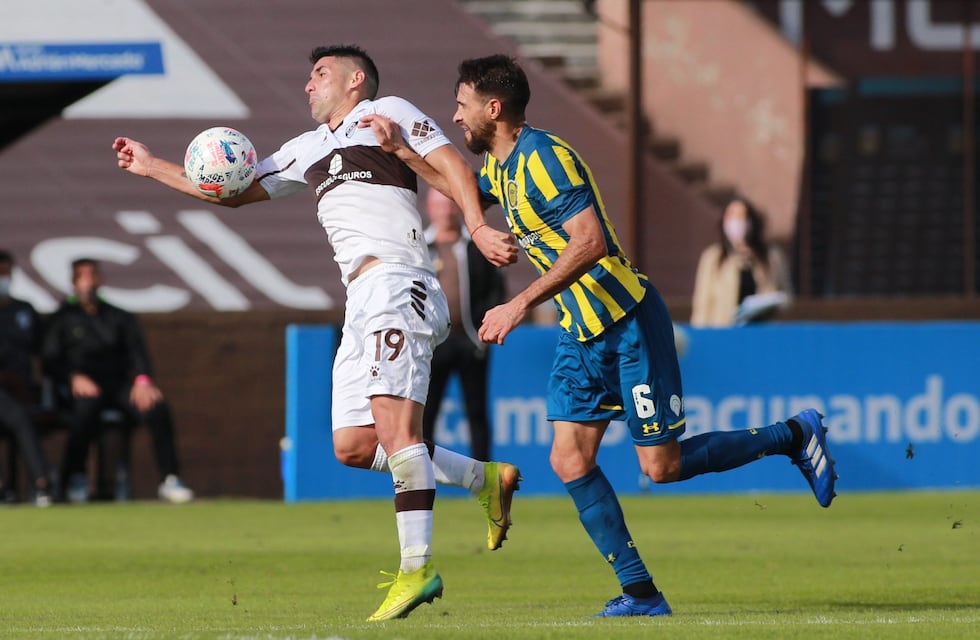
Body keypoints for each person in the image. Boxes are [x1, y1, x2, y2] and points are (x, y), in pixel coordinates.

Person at [370, 54, 837, 617]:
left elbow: (591, 242)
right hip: (580, 332)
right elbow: (459, 181)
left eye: (462, 104)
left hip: (627, 324)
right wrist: (400, 152)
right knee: (568, 459)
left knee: (658, 468)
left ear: (494, 108)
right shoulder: (504, 167)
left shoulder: (545, 159)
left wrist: (519, 302)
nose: (456, 115)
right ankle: (641, 593)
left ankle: (792, 434)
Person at [112, 44, 521, 622]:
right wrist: (151, 166)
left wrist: (476, 227)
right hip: (360, 301)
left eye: (319, 74)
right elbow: (231, 191)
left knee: (398, 429)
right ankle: (484, 478)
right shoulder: (305, 150)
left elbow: (453, 163)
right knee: (354, 445)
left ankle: (418, 568)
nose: (308, 84)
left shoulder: (390, 111)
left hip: (398, 281)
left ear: (356, 81)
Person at [42, 258, 194, 505]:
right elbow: (50, 360)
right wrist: (73, 377)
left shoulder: (119, 317)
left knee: (156, 408)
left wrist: (143, 381)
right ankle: (74, 478)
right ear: (74, 281)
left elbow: (138, 354)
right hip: (82, 388)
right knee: (84, 413)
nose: (89, 282)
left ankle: (170, 478)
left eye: (93, 275)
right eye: (83, 276)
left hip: (118, 384)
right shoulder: (62, 318)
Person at [422, 188, 506, 462]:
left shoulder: (476, 245)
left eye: (450, 205)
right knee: (426, 411)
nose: (446, 211)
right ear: (429, 208)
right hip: (434, 345)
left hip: (471, 342)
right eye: (440, 206)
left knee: (477, 411)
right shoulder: (420, 246)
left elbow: (495, 291)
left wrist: (483, 334)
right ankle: (424, 474)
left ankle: (485, 477)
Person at [0, 250, 54, 507]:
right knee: (19, 417)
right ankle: (42, 482)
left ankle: (37, 485)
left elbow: (44, 350)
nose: (3, 279)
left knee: (21, 414)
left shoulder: (24, 310)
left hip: (22, 389)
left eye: (6, 273)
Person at [690, 196, 793, 327]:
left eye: (741, 217)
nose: (736, 222)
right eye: (731, 216)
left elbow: (787, 296)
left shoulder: (771, 256)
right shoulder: (713, 257)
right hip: (724, 330)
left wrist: (774, 301)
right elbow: (702, 302)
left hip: (762, 330)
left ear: (751, 222)